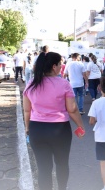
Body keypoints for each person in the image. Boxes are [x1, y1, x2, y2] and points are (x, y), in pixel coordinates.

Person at [23, 52, 85, 190]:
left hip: (37, 130)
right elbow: (73, 109)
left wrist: (28, 129)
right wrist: (81, 126)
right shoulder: (64, 84)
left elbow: (27, 110)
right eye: (60, 63)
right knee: (62, 164)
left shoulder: (31, 84)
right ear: (54, 66)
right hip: (60, 131)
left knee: (44, 168)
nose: (61, 66)